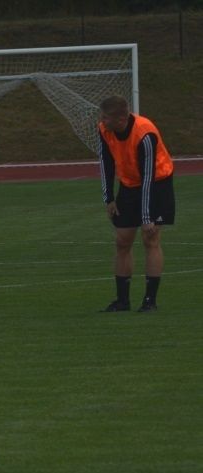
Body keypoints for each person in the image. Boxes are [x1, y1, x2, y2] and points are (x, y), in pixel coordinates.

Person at [97, 95, 175, 313]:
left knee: (151, 238)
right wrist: (109, 198)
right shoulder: (104, 130)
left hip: (157, 183)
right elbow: (105, 162)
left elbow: (148, 176)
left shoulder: (145, 133)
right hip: (130, 183)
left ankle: (150, 301)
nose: (102, 121)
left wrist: (147, 216)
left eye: (105, 117)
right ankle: (122, 301)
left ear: (121, 119)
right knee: (122, 240)